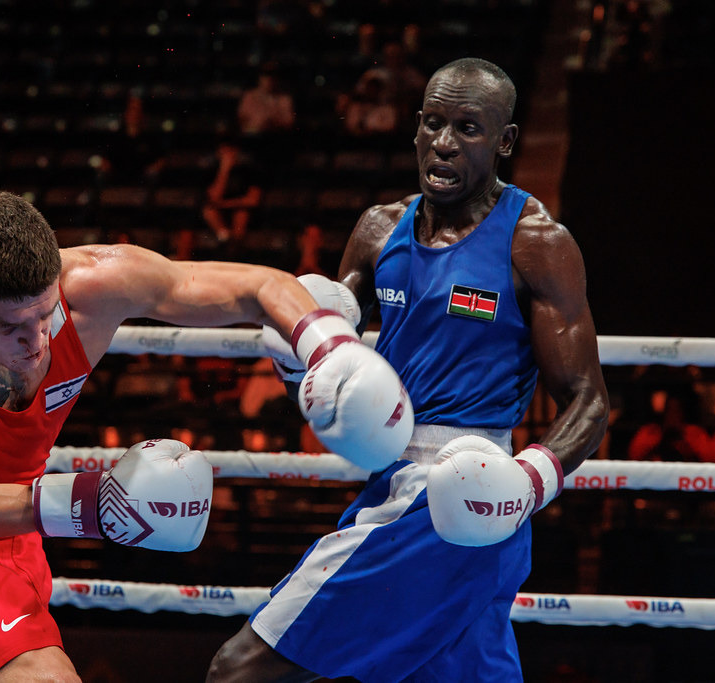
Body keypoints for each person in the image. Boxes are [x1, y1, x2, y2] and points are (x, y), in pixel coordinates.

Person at [0, 191, 413, 682]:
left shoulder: (95, 281)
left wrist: (327, 348)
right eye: (9, 326)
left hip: (16, 527)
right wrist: (97, 501)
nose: (35, 342)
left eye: (43, 316)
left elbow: (257, 286)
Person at [207, 57, 609, 682]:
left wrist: (528, 484)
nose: (444, 144)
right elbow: (327, 370)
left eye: (468, 129)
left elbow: (587, 400)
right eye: (433, 123)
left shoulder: (536, 243)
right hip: (389, 481)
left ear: (504, 141)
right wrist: (295, 368)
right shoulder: (377, 230)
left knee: (241, 671)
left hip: (465, 494)